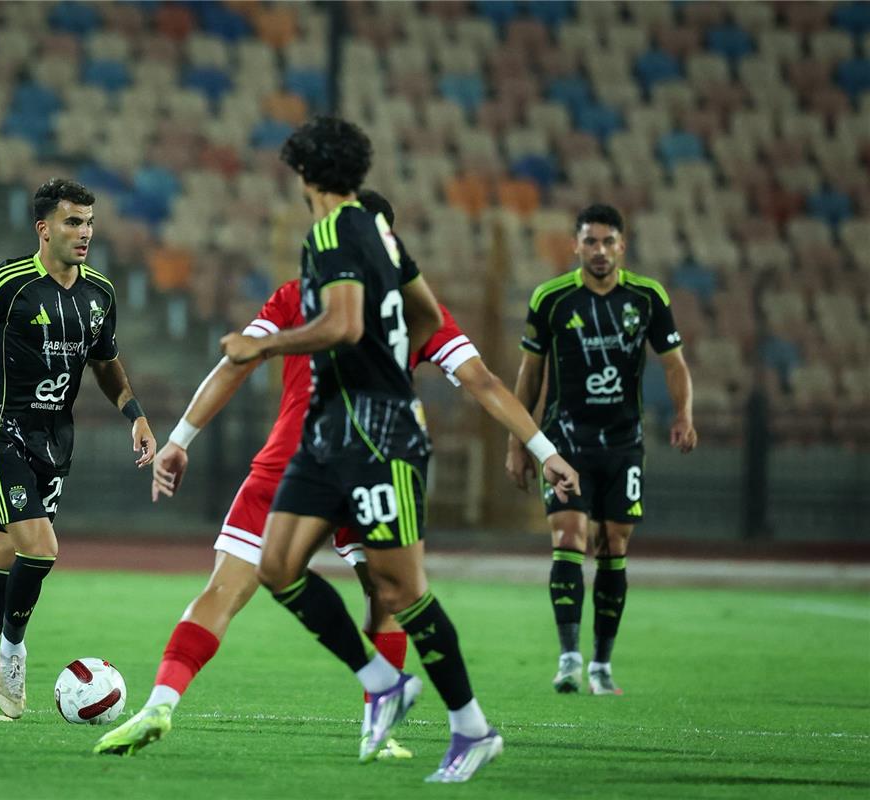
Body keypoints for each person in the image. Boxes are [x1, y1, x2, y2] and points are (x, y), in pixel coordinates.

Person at [93, 190, 580, 763]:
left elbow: (235, 361)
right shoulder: (407, 310)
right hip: (373, 464)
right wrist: (544, 449)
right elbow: (483, 382)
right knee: (391, 594)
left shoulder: (300, 296)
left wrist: (180, 439)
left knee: (227, 590)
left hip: (295, 464)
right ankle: (388, 721)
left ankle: (161, 703)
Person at [238, 117, 574, 783]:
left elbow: (344, 325)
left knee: (400, 588)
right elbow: (424, 311)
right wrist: (394, 353)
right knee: (276, 566)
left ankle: (472, 728)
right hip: (329, 430)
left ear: (304, 174)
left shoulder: (331, 233)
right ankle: (382, 681)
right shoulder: (382, 235)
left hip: (378, 433)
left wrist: (265, 345)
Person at [0, 178, 156, 721]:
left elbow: (106, 362)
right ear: (44, 229)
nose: (84, 232)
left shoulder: (100, 293)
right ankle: (13, 651)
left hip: (54, 442)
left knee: (3, 563)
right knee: (42, 549)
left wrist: (135, 414)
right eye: (73, 222)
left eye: (89, 223)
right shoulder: (9, 283)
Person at [505, 203, 696, 696]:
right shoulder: (551, 298)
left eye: (608, 241)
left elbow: (674, 363)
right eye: (590, 241)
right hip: (565, 441)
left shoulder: (647, 297)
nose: (599, 250)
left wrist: (683, 414)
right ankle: (568, 659)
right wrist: (518, 442)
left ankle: (602, 665)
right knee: (569, 537)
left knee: (613, 546)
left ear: (622, 247)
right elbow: (530, 373)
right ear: (575, 246)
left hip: (624, 443)